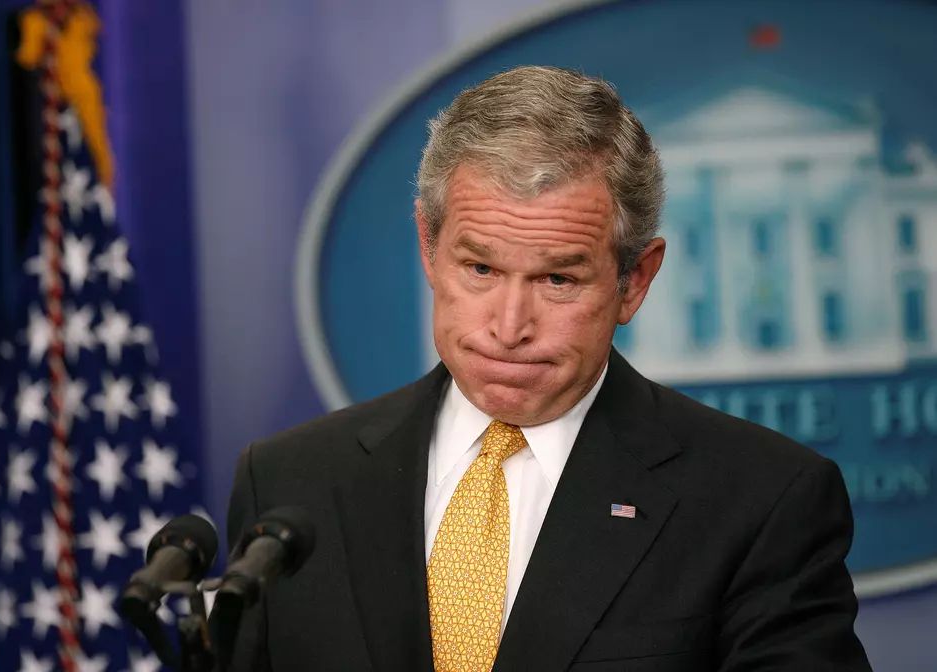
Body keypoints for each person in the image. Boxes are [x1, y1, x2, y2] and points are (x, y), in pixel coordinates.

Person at [223, 66, 872, 671]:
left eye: (558, 279)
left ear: (634, 281)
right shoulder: (289, 483)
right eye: (479, 269)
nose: (509, 327)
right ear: (429, 246)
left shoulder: (762, 501)